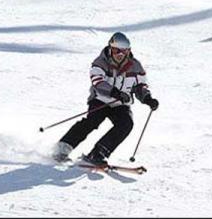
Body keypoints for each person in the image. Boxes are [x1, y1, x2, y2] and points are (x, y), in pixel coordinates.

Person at [52, 32, 159, 165]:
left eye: (123, 51)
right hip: (100, 99)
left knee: (126, 124)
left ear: (128, 51)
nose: (119, 54)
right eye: (116, 50)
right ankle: (63, 148)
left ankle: (99, 153)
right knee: (93, 120)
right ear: (110, 49)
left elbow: (140, 86)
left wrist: (148, 99)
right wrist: (114, 92)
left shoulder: (136, 66)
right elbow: (97, 81)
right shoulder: (101, 62)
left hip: (120, 104)